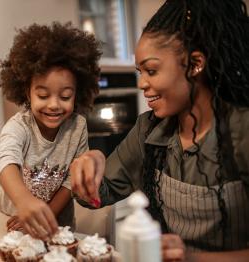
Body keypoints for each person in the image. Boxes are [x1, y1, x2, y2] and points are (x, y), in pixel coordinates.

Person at [69, 0, 249, 261]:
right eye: (140, 72)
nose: (142, 83)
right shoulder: (148, 130)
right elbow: (97, 196)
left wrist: (190, 258)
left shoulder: (241, 131)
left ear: (195, 63)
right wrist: (92, 163)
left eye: (151, 70)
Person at [0, 22, 102, 240]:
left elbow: (70, 180)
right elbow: (6, 162)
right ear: (27, 92)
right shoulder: (18, 127)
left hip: (58, 224)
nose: (54, 105)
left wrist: (48, 215)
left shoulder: (77, 126)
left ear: (77, 94)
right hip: (14, 220)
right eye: (43, 96)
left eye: (65, 97)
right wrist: (24, 201)